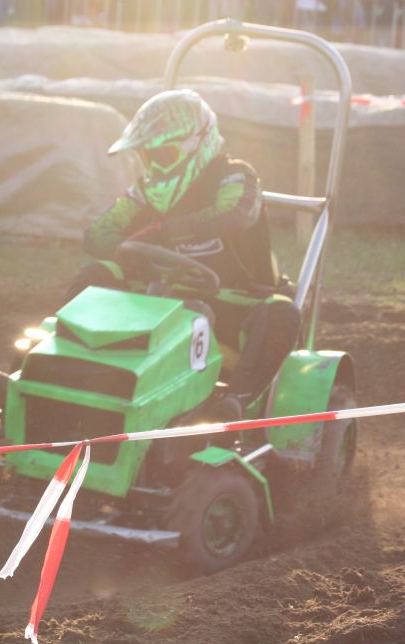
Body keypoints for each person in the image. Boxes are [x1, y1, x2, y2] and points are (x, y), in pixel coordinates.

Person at [61, 89, 302, 420]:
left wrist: (166, 230)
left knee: (282, 313)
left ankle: (234, 405)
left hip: (233, 314)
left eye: (162, 155)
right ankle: (60, 368)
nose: (154, 166)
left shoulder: (235, 175)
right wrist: (128, 248)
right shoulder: (149, 190)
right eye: (148, 157)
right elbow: (97, 233)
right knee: (98, 273)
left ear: (194, 145)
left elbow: (233, 214)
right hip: (162, 304)